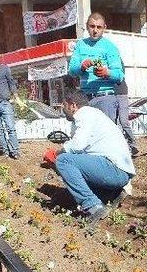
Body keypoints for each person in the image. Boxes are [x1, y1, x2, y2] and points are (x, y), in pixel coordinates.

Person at [43, 89, 134, 225]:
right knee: (73, 173)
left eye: (64, 105)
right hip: (118, 172)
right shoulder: (93, 115)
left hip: (113, 170)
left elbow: (77, 146)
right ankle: (112, 194)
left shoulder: (84, 114)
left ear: (73, 105)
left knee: (63, 161)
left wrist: (56, 154)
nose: (62, 109)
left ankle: (93, 206)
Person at [68, 12, 124, 120]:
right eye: (92, 26)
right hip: (85, 98)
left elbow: (120, 75)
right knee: (87, 134)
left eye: (99, 27)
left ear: (104, 28)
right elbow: (71, 70)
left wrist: (107, 73)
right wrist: (81, 67)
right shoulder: (80, 45)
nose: (95, 30)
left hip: (105, 98)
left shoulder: (110, 47)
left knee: (106, 134)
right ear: (86, 27)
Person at [115, 76, 139, 156]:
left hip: (121, 94)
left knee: (124, 122)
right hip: (110, 95)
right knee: (113, 124)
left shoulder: (117, 65)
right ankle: (119, 147)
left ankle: (133, 144)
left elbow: (119, 76)